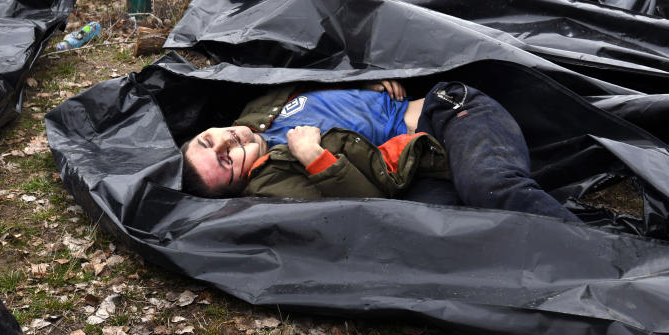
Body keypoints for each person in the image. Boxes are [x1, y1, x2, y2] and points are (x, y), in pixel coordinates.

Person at [181, 79, 578, 222]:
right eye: (225, 160)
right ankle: (608, 265)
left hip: (450, 110)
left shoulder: (255, 109)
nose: (226, 142)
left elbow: (316, 64)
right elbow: (367, 211)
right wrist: (312, 157)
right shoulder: (270, 181)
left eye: (208, 139)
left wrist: (362, 79)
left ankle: (609, 261)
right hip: (429, 159)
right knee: (454, 226)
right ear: (237, 187)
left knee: (490, 184)